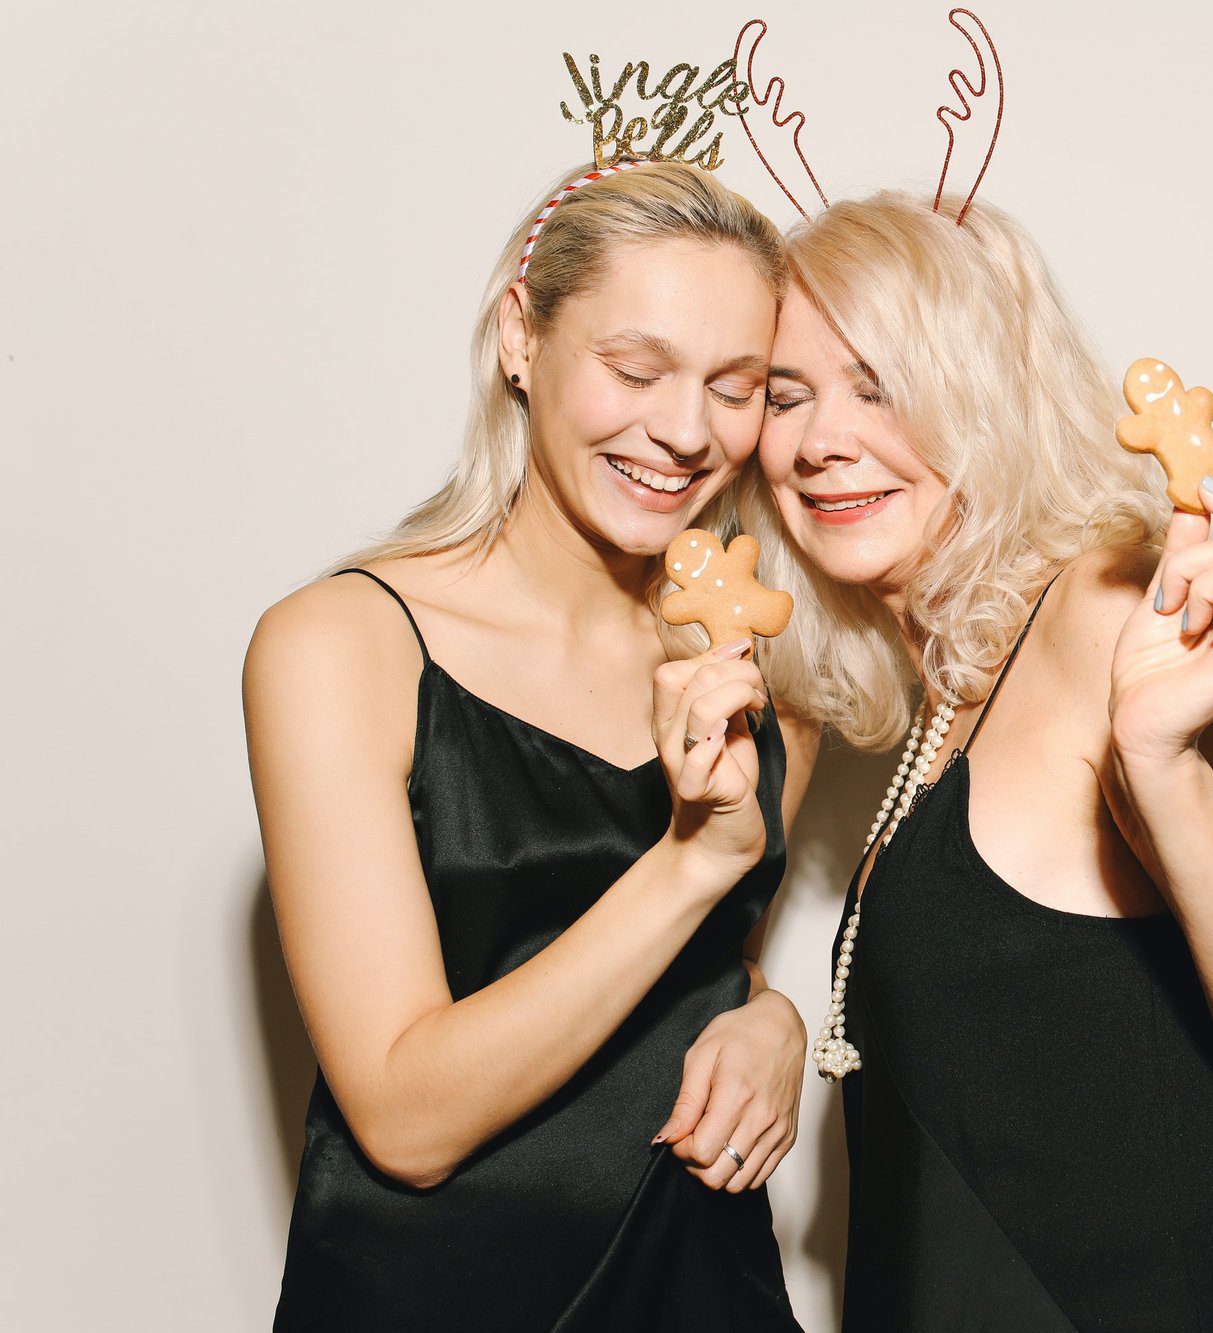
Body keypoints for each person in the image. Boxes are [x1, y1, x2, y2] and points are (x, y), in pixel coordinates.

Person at [745, 191, 1213, 1330]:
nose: (820, 439)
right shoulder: (931, 706)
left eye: (878, 385)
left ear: (980, 398)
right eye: (787, 396)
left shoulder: (1113, 608)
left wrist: (1158, 764)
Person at [243, 160, 815, 1331]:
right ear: (520, 333)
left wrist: (771, 1016)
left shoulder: (762, 679)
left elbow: (685, 975)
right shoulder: (341, 646)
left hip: (706, 1289)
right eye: (634, 367)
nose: (681, 430)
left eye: (735, 385)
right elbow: (404, 1117)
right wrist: (691, 857)